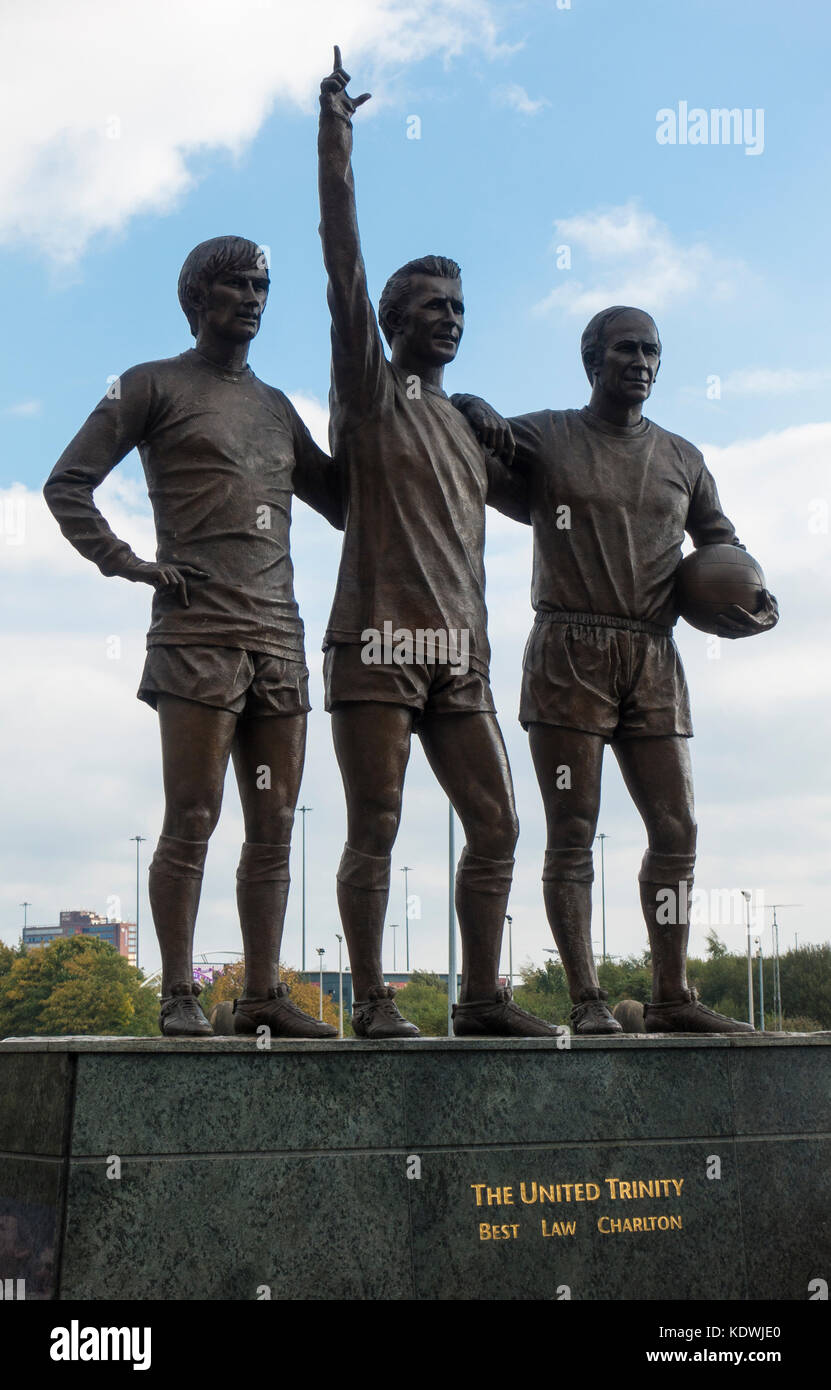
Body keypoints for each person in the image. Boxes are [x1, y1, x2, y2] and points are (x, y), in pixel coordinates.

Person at [44, 236, 343, 1038]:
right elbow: (66, 483)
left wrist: (375, 409)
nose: (252, 298)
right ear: (196, 298)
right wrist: (128, 563)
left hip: (278, 635)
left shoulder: (278, 406)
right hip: (197, 633)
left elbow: (343, 503)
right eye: (236, 286)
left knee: (276, 826)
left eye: (261, 286)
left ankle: (260, 995)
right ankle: (178, 992)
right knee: (194, 813)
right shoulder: (149, 384)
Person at [317, 49, 559, 1039]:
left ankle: (484, 997)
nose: (450, 319)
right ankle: (371, 1000)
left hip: (461, 656)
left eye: (460, 308)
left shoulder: (467, 422)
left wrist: (500, 424)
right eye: (432, 308)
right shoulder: (371, 391)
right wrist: (335, 133)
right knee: (377, 823)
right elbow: (342, 256)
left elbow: (550, 501)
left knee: (498, 823)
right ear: (391, 324)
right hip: (377, 645)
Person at [455, 306, 778, 1034]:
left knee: (677, 829)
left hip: (652, 654)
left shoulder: (682, 458)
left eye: (652, 351)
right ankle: (586, 995)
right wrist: (472, 407)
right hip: (570, 650)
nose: (641, 362)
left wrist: (755, 603)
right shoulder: (547, 434)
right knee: (572, 827)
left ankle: (670, 994)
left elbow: (723, 548)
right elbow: (465, 447)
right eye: (626, 349)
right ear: (591, 359)